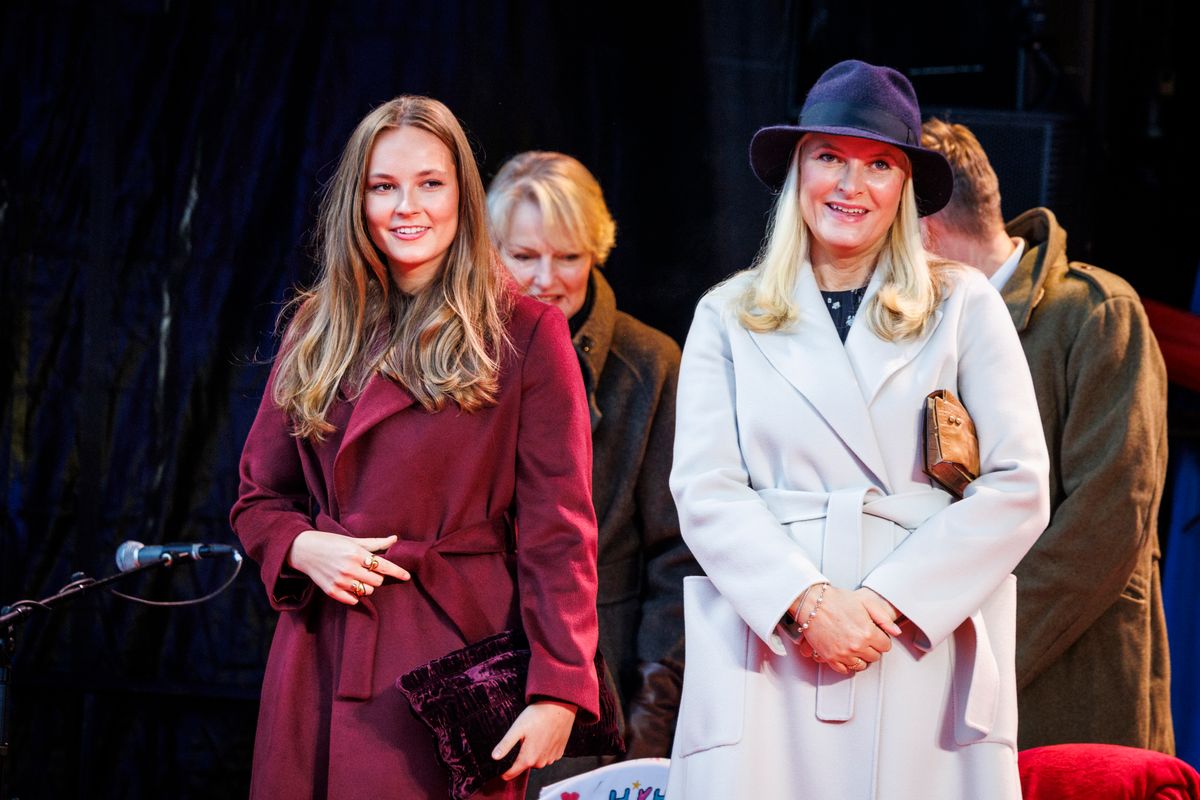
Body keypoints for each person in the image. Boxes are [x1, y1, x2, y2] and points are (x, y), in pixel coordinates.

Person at [666, 60, 1051, 799]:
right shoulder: (727, 313)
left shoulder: (963, 303)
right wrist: (808, 603)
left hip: (912, 645)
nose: (851, 185)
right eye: (830, 157)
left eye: (879, 164)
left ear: (905, 188)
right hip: (772, 646)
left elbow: (1020, 486)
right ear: (798, 170)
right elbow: (706, 489)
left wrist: (885, 602)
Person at [230, 96, 601, 800]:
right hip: (320, 656)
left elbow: (560, 532)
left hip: (452, 662)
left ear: (462, 195)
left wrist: (559, 688)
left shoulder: (525, 332)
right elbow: (259, 497)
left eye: (430, 183)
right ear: (358, 199)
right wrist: (302, 546)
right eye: (384, 186)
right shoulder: (318, 324)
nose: (408, 206)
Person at [920, 118, 1174, 753]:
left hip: (1070, 705)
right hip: (955, 699)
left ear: (923, 232)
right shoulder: (923, 334)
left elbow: (1106, 523)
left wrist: (968, 659)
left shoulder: (1096, 313)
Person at [486, 152, 700, 792]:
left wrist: (644, 735)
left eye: (569, 256)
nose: (546, 279)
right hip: (470, 683)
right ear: (491, 251)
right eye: (524, 256)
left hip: (595, 705)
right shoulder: (456, 353)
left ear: (597, 251)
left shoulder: (651, 363)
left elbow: (678, 562)